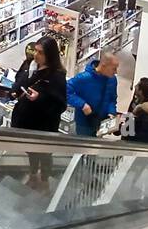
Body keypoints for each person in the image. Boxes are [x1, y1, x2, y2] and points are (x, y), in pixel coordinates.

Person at [9, 35, 68, 189]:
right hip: (26, 122)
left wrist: (40, 98)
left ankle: (45, 180)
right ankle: (33, 174)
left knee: (44, 154)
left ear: (50, 55)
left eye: (40, 52)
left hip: (44, 126)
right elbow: (19, 79)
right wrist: (15, 90)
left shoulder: (56, 76)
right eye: (35, 50)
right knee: (31, 152)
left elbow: (60, 105)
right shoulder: (30, 64)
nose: (36, 55)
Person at [66, 52, 119, 137]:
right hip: (84, 123)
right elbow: (66, 91)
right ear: (104, 66)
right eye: (114, 68)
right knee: (83, 146)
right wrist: (82, 104)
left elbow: (112, 99)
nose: (116, 72)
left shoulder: (112, 80)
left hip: (101, 121)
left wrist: (111, 112)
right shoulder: (84, 78)